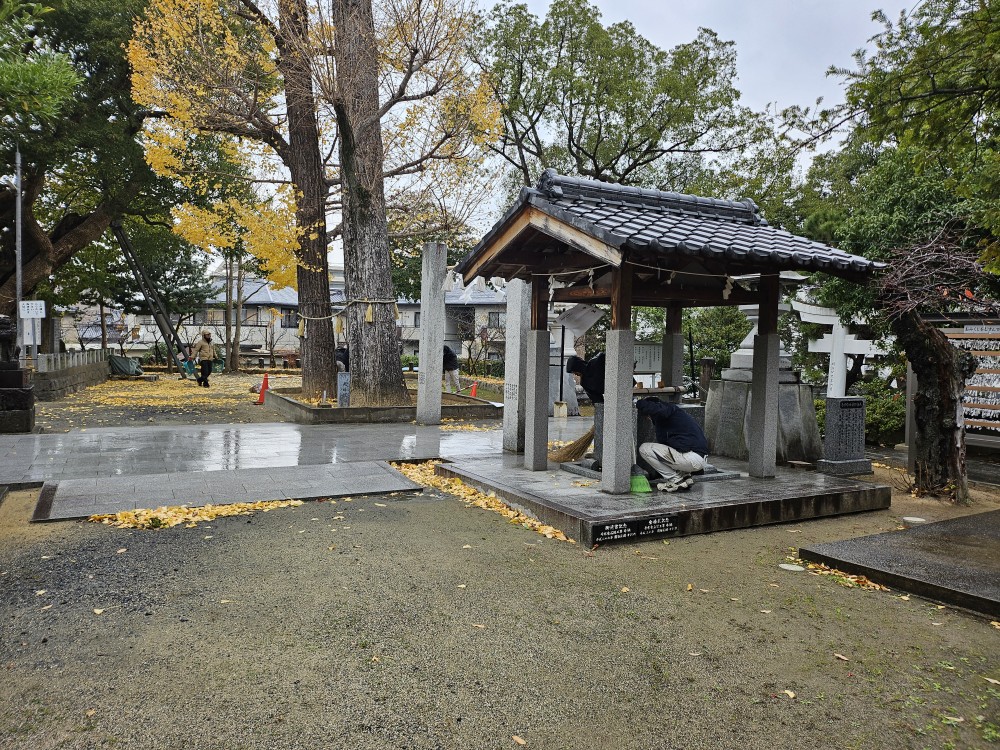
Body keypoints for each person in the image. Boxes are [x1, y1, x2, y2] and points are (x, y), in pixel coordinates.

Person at [635, 396, 709, 492]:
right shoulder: (675, 414)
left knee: (644, 448)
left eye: (648, 416)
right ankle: (685, 476)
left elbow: (657, 409)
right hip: (699, 458)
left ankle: (676, 480)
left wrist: (638, 403)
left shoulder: (666, 410)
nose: (648, 419)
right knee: (667, 449)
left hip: (692, 458)